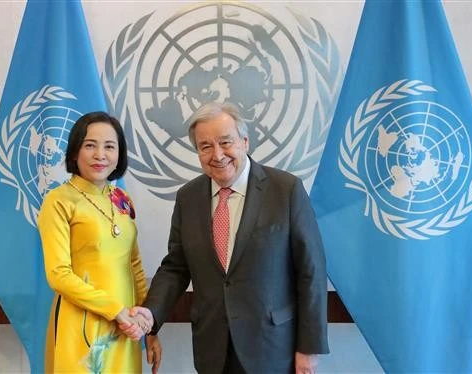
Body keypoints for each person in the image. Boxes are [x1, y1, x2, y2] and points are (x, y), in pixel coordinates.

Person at [125, 102, 329, 374]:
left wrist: (309, 347)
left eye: (225, 142)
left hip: (273, 349)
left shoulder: (286, 190)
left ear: (244, 142)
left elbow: (311, 271)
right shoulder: (188, 198)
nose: (217, 154)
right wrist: (151, 313)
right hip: (212, 348)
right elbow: (176, 266)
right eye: (205, 146)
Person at [38, 111, 161, 373]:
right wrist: (115, 311)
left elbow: (134, 266)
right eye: (90, 145)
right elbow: (59, 275)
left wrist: (150, 330)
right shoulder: (59, 201)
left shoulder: (122, 199)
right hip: (82, 322)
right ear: (74, 152)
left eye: (109, 146)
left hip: (127, 326)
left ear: (119, 154)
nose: (100, 155)